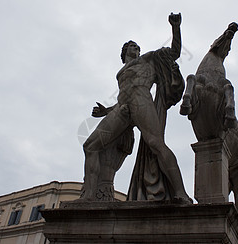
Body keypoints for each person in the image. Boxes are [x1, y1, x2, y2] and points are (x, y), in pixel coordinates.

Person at [81, 13, 190, 203]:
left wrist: (175, 27)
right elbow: (124, 94)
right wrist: (106, 111)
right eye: (132, 46)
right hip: (122, 108)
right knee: (90, 145)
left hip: (141, 100)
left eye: (138, 47)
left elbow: (175, 52)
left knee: (155, 143)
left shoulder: (148, 59)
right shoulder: (120, 73)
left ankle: (181, 192)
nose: (136, 48)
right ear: (124, 52)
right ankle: (89, 196)